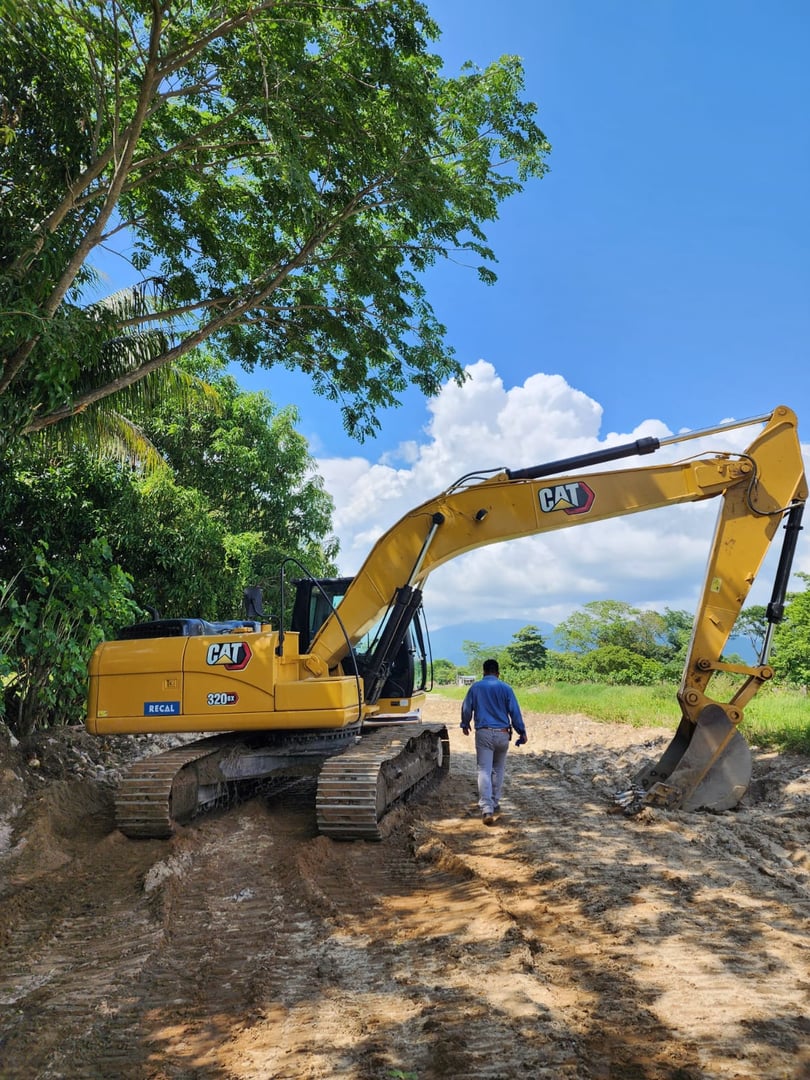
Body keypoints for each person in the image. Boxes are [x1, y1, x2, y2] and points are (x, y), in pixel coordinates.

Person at [460, 658, 527, 825]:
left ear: (483, 672)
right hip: (503, 734)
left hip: (484, 733)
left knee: (484, 769)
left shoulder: (475, 687)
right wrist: (522, 732)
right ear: (498, 673)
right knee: (498, 769)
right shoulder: (506, 688)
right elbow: (515, 712)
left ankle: (487, 809)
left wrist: (465, 723)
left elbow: (466, 708)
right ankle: (495, 802)